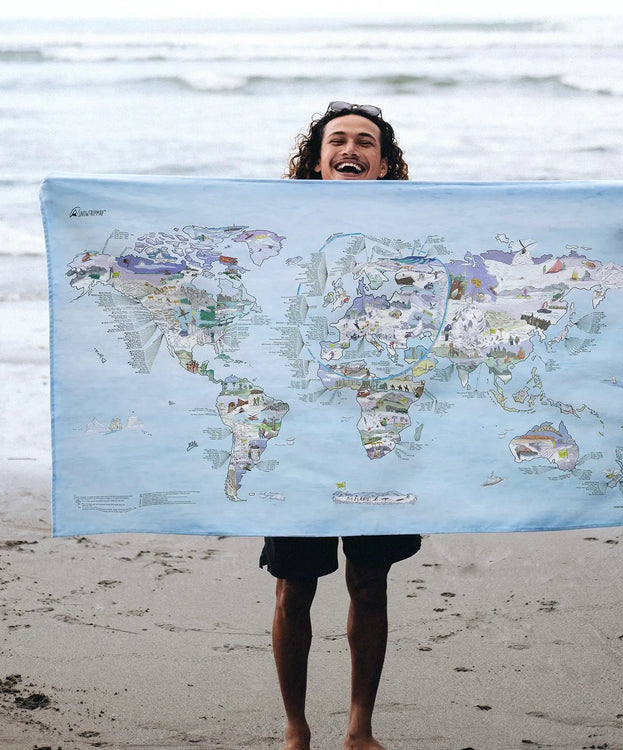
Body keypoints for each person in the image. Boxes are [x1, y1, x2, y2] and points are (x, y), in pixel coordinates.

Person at [259, 102, 421, 750]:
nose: (350, 149)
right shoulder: (282, 228)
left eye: (365, 143)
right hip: (300, 436)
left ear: (383, 166)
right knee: (294, 584)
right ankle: (296, 729)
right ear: (316, 158)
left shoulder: (412, 233)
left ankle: (360, 727)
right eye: (338, 141)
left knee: (369, 581)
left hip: (378, 430)